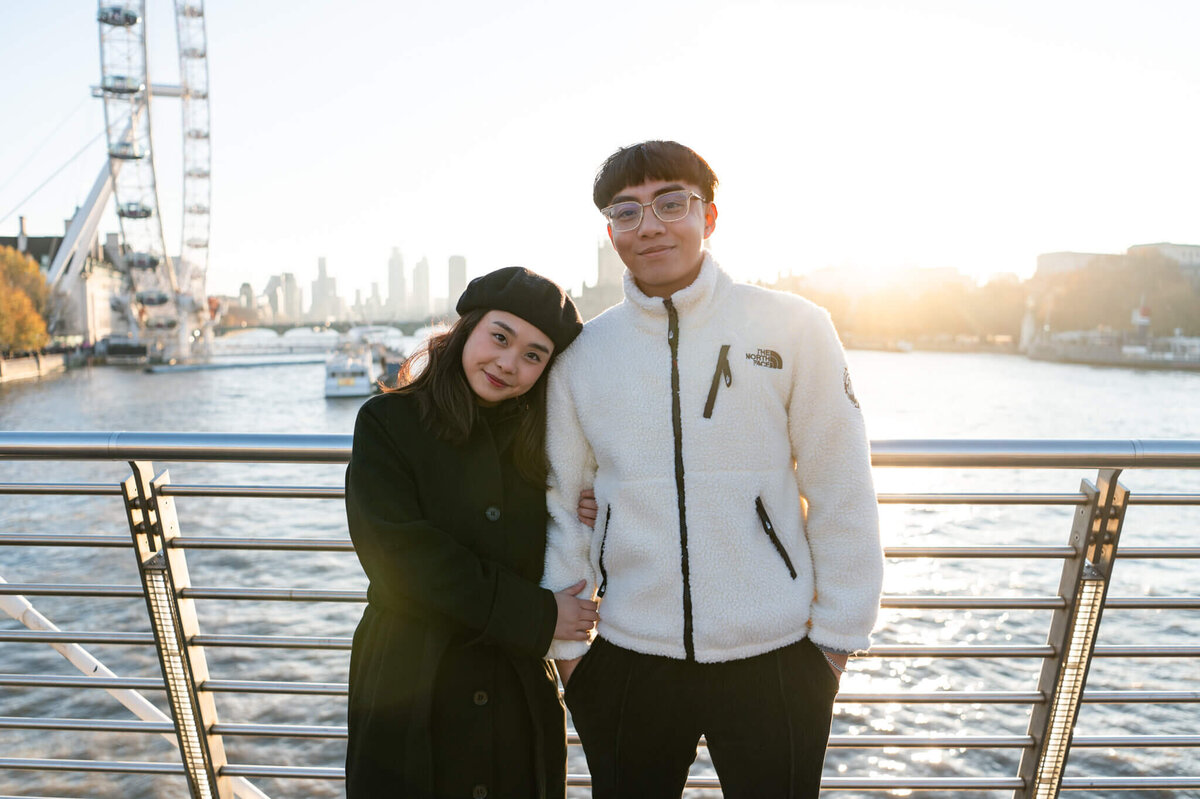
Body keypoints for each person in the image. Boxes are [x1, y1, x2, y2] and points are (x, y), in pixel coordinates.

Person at [541, 141, 884, 798]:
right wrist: (572, 657)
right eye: (627, 211)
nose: (650, 224)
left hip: (779, 655)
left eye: (672, 203)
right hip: (626, 657)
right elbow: (560, 499)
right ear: (610, 230)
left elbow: (840, 484)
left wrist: (835, 643)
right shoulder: (583, 354)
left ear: (711, 216)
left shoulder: (795, 327)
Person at [345, 267, 597, 799]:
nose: (509, 363)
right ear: (468, 328)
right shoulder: (388, 422)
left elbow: (571, 541)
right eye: (499, 337)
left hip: (515, 691)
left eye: (534, 355)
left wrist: (602, 510)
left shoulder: (551, 446)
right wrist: (540, 614)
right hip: (409, 684)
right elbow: (398, 559)